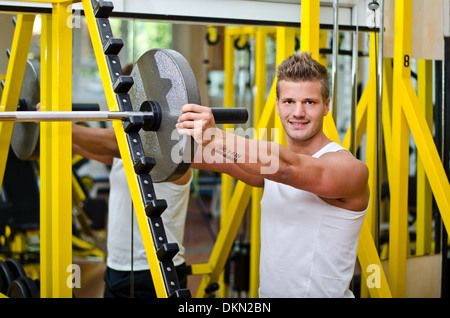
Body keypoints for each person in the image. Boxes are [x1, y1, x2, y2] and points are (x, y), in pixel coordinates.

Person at [176, 52, 370, 298]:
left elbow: (289, 169)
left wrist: (216, 136)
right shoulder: (266, 167)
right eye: (289, 101)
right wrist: (154, 130)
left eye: (309, 102)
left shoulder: (348, 169)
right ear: (278, 104)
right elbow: (188, 154)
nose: (298, 112)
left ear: (326, 106)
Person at [72, 120, 192, 298]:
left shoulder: (168, 155)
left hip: (156, 273)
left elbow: (112, 142)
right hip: (116, 269)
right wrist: (44, 127)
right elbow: (86, 146)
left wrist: (57, 122)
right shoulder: (120, 155)